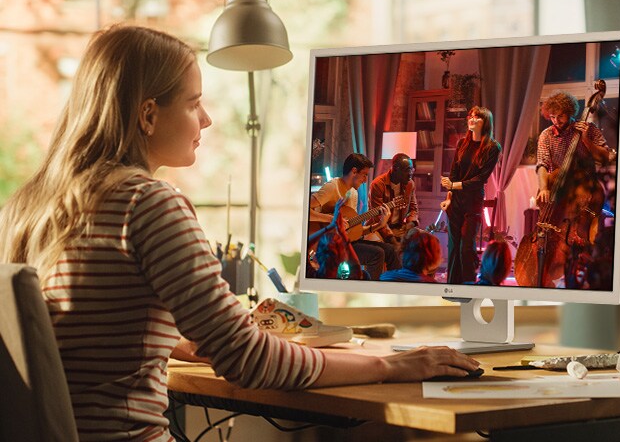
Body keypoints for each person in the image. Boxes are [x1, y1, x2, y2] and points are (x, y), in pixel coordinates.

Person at [0, 25, 479, 441]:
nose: (206, 119)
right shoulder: (146, 204)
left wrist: (175, 340)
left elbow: (75, 334)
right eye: (193, 103)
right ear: (147, 115)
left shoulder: (25, 209)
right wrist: (393, 365)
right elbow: (249, 361)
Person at [309, 153, 400, 279]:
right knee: (377, 254)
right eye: (364, 175)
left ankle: (394, 288)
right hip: (330, 244)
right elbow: (304, 210)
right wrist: (330, 219)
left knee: (390, 250)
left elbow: (352, 230)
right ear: (354, 171)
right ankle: (371, 291)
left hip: (348, 241)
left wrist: (380, 224)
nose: (365, 179)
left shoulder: (353, 193)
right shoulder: (332, 187)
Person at [440, 106, 501, 284]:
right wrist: (448, 198)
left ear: (486, 123)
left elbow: (480, 179)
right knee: (453, 247)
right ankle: (452, 287)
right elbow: (454, 173)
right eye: (471, 116)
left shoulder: (492, 147)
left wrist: (454, 185)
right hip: (456, 202)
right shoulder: (462, 143)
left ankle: (468, 286)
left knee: (466, 248)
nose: (472, 120)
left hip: (473, 202)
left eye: (477, 118)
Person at [535, 90, 614, 205]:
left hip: (585, 187)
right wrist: (543, 189)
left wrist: (586, 140)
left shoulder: (589, 129)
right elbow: (542, 164)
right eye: (552, 117)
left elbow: (605, 157)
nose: (556, 121)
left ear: (569, 112)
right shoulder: (546, 135)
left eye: (561, 116)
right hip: (559, 188)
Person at [369, 152, 419, 250]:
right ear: (396, 168)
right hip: (378, 228)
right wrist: (393, 241)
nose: (411, 174)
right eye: (407, 170)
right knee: (384, 249)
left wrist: (410, 224)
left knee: (423, 241)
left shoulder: (410, 184)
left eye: (412, 169)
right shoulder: (378, 184)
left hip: (399, 227)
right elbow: (377, 217)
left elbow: (414, 209)